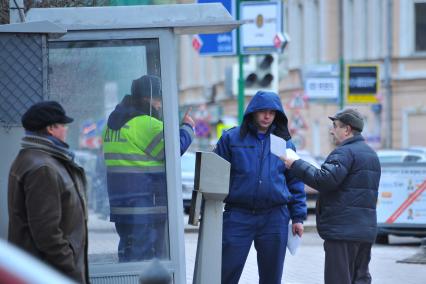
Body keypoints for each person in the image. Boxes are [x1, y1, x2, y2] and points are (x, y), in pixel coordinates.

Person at [214, 91, 307, 284]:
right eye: (262, 112)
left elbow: (294, 180)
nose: (267, 116)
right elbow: (214, 175)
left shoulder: (282, 143)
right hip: (238, 216)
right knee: (225, 273)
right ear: (253, 112)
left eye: (272, 113)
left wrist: (298, 217)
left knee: (272, 278)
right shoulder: (231, 139)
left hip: (275, 217)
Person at [281, 108, 381, 284]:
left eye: (335, 126)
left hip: (343, 233)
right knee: (360, 279)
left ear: (347, 129)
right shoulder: (371, 154)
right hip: (365, 231)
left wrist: (295, 164)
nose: (331, 130)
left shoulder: (344, 153)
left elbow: (324, 180)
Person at [103, 74, 194, 262]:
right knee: (147, 259)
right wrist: (187, 128)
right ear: (147, 98)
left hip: (121, 204)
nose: (160, 105)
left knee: (128, 255)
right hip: (145, 204)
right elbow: (172, 150)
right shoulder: (146, 123)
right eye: (159, 99)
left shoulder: (113, 124)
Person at [8, 101, 89, 283]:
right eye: (63, 125)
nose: (66, 129)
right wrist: (70, 265)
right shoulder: (43, 167)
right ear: (51, 129)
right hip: (51, 272)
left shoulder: (32, 158)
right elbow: (46, 232)